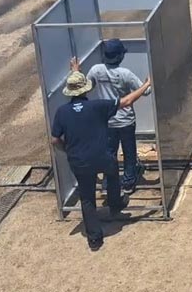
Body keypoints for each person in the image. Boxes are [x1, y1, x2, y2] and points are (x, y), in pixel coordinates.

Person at [51, 57, 152, 251]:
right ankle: (115, 203)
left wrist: (67, 149)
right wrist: (146, 83)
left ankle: (95, 239)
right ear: (86, 89)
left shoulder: (62, 113)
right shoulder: (97, 107)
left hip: (79, 161)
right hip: (102, 157)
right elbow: (127, 101)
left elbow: (55, 140)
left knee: (87, 197)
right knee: (113, 173)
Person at [86, 39, 151, 194]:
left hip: (107, 121)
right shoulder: (125, 74)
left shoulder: (96, 70)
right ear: (120, 56)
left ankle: (107, 184)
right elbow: (146, 92)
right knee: (129, 154)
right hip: (126, 121)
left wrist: (76, 72)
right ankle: (128, 183)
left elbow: (87, 87)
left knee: (109, 154)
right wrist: (147, 83)